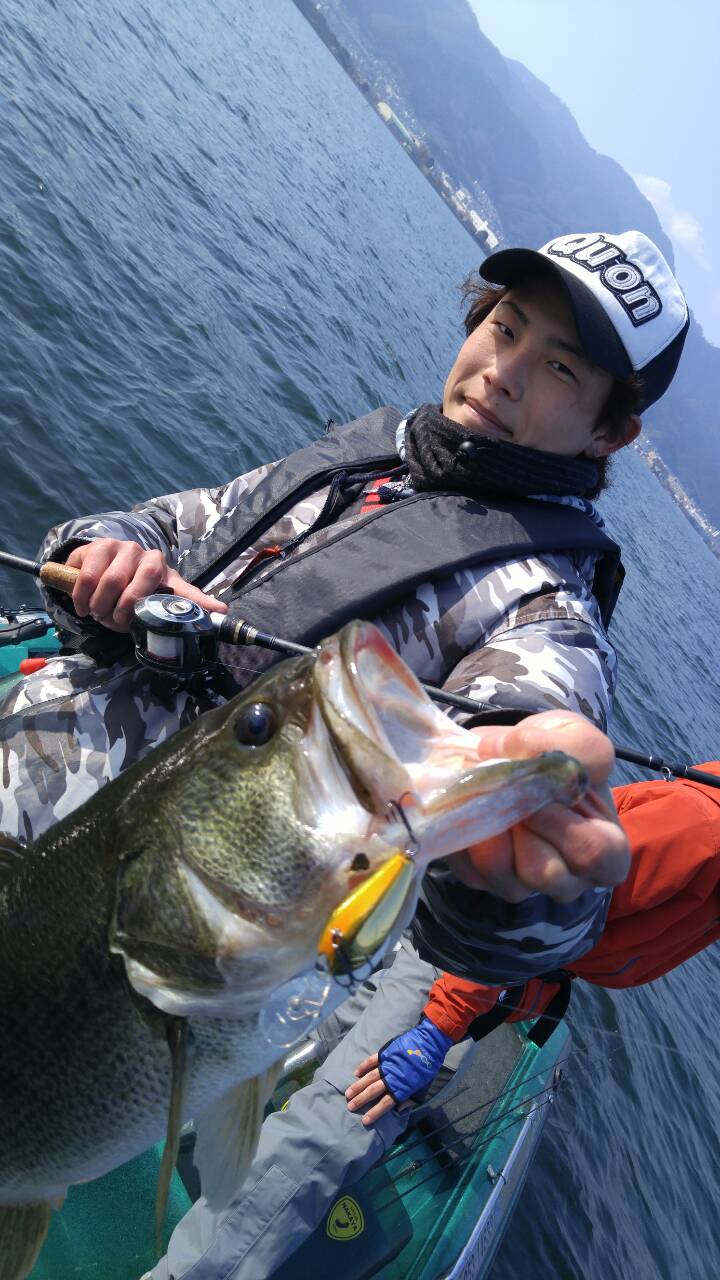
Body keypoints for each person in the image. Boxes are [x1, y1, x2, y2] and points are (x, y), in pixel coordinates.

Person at [106, 229, 686, 1278]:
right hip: (101, 850)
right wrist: (106, 552)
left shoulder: (545, 611)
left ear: (613, 430)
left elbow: (535, 747)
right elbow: (183, 521)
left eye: (560, 367)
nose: (503, 371)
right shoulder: (367, 453)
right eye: (504, 327)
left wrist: (521, 879)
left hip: (201, 932)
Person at [348, 762, 720, 1124]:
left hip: (499, 981)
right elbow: (536, 911)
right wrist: (439, 1027)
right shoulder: (698, 831)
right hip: (471, 962)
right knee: (351, 1126)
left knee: (384, 1065)